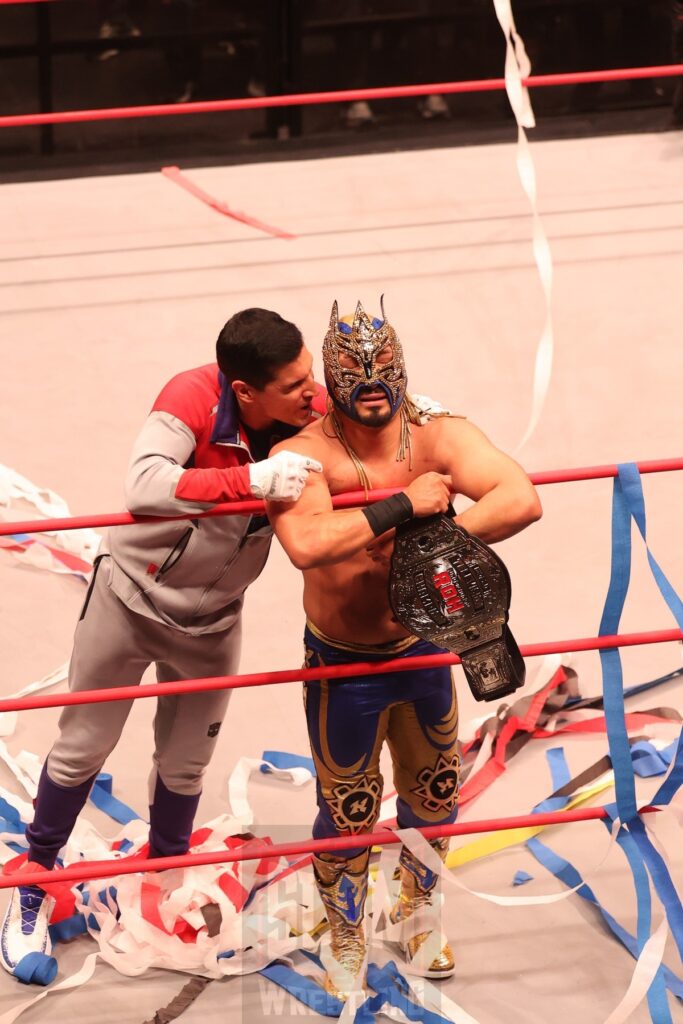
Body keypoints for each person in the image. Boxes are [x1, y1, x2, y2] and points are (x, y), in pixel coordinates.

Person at [0, 308, 326, 979]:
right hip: (126, 602)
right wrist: (249, 481)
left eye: (310, 376)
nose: (310, 392)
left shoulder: (311, 410)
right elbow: (143, 486)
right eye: (294, 383)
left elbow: (378, 436)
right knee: (80, 747)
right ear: (243, 392)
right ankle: (31, 889)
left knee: (184, 768)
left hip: (212, 624)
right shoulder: (191, 396)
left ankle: (168, 881)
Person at [267, 300, 542, 1000]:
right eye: (355, 376)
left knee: (434, 794)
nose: (371, 387)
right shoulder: (298, 455)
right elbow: (306, 545)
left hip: (421, 648)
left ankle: (418, 910)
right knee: (347, 808)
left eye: (382, 373)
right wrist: (402, 509)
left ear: (400, 371)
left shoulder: (435, 431)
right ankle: (346, 929)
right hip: (342, 661)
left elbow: (518, 496)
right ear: (331, 381)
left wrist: (430, 555)